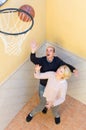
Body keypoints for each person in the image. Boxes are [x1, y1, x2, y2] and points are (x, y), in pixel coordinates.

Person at [30, 41, 78, 113]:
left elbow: (65, 65)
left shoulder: (57, 61)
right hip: (43, 84)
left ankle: (54, 113)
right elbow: (34, 60)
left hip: (54, 84)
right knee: (43, 101)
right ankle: (44, 107)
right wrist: (33, 51)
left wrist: (73, 69)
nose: (48, 51)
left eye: (50, 50)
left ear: (53, 53)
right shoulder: (43, 61)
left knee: (53, 102)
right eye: (47, 50)